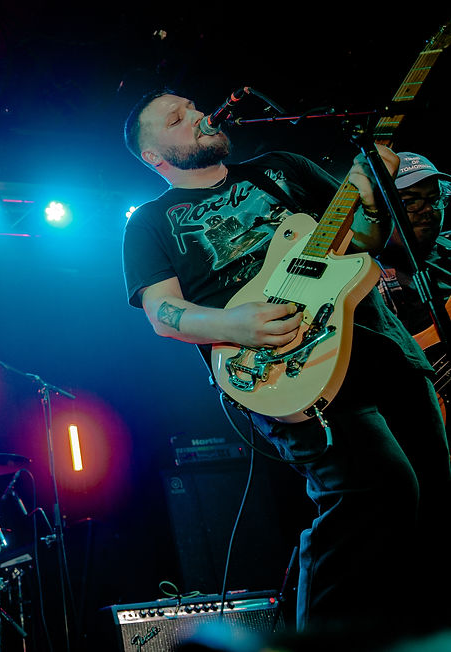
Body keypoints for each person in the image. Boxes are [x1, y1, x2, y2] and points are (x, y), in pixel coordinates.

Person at [121, 90, 451, 639]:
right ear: (155, 157)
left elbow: (368, 241)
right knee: (374, 489)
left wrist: (371, 197)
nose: (199, 116)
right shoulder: (150, 223)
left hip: (380, 344)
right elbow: (162, 311)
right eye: (177, 120)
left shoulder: (282, 170)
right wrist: (234, 325)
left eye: (193, 106)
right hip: (284, 365)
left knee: (434, 497)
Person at [376, 152, 451, 337]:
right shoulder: (367, 277)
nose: (427, 209)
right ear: (378, 208)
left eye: (434, 198)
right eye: (410, 201)